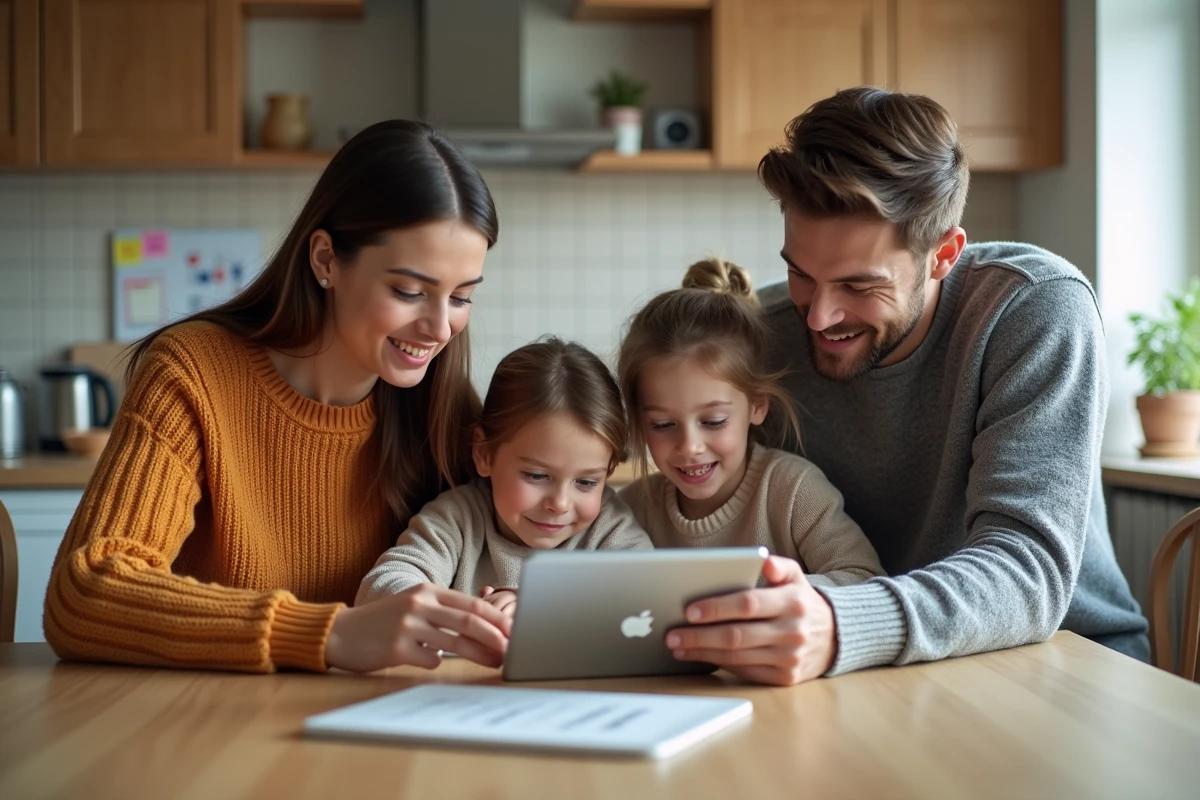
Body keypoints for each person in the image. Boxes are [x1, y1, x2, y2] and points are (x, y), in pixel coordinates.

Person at [659, 87, 1149, 686]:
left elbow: (1027, 572)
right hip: (882, 670)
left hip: (1071, 667)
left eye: (859, 287)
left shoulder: (1033, 310)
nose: (818, 317)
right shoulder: (764, 335)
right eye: (800, 274)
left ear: (943, 254)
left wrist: (840, 624)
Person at [43, 120, 516, 674]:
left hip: (383, 730)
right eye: (409, 291)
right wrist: (329, 632)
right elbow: (84, 594)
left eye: (461, 297)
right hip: (206, 728)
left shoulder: (446, 409)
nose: (439, 327)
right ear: (325, 261)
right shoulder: (194, 372)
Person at [616, 257, 884, 590]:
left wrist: (773, 601)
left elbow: (865, 579)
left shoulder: (793, 491)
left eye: (713, 421)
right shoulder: (629, 510)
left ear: (757, 405)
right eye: (662, 424)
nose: (689, 447)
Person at [356, 338, 652, 617]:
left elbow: (651, 595)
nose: (560, 504)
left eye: (586, 482)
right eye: (537, 475)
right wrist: (456, 615)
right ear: (484, 454)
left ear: (609, 470)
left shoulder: (608, 528)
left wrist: (540, 604)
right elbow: (380, 588)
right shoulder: (458, 520)